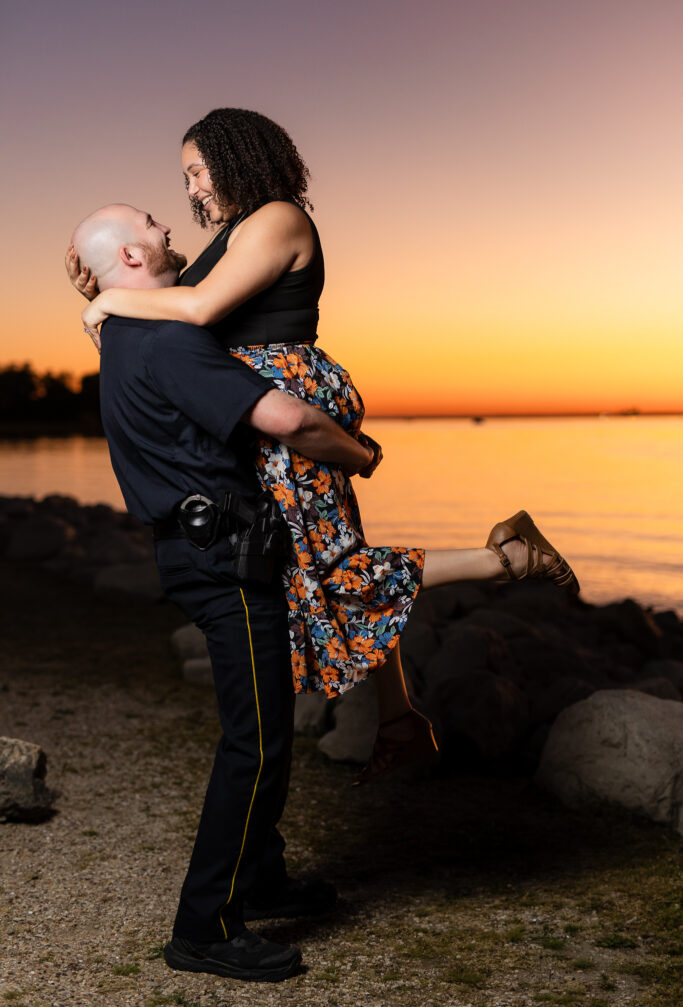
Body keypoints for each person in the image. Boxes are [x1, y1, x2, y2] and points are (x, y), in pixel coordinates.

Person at [67, 110, 579, 785]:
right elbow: (170, 297)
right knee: (316, 566)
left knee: (329, 569)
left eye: (196, 171)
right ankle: (400, 719)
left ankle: (508, 558)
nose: (190, 189)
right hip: (252, 400)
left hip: (287, 398)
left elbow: (192, 310)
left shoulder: (277, 218)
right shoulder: (233, 231)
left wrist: (107, 303)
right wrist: (104, 293)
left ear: (234, 156)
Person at [70, 203, 379, 982]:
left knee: (258, 730)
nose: (171, 228)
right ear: (134, 259)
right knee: (257, 742)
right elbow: (289, 418)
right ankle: (202, 928)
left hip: (203, 551)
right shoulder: (169, 339)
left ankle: (262, 879)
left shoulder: (125, 333)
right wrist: (361, 453)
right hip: (223, 563)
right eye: (153, 223)